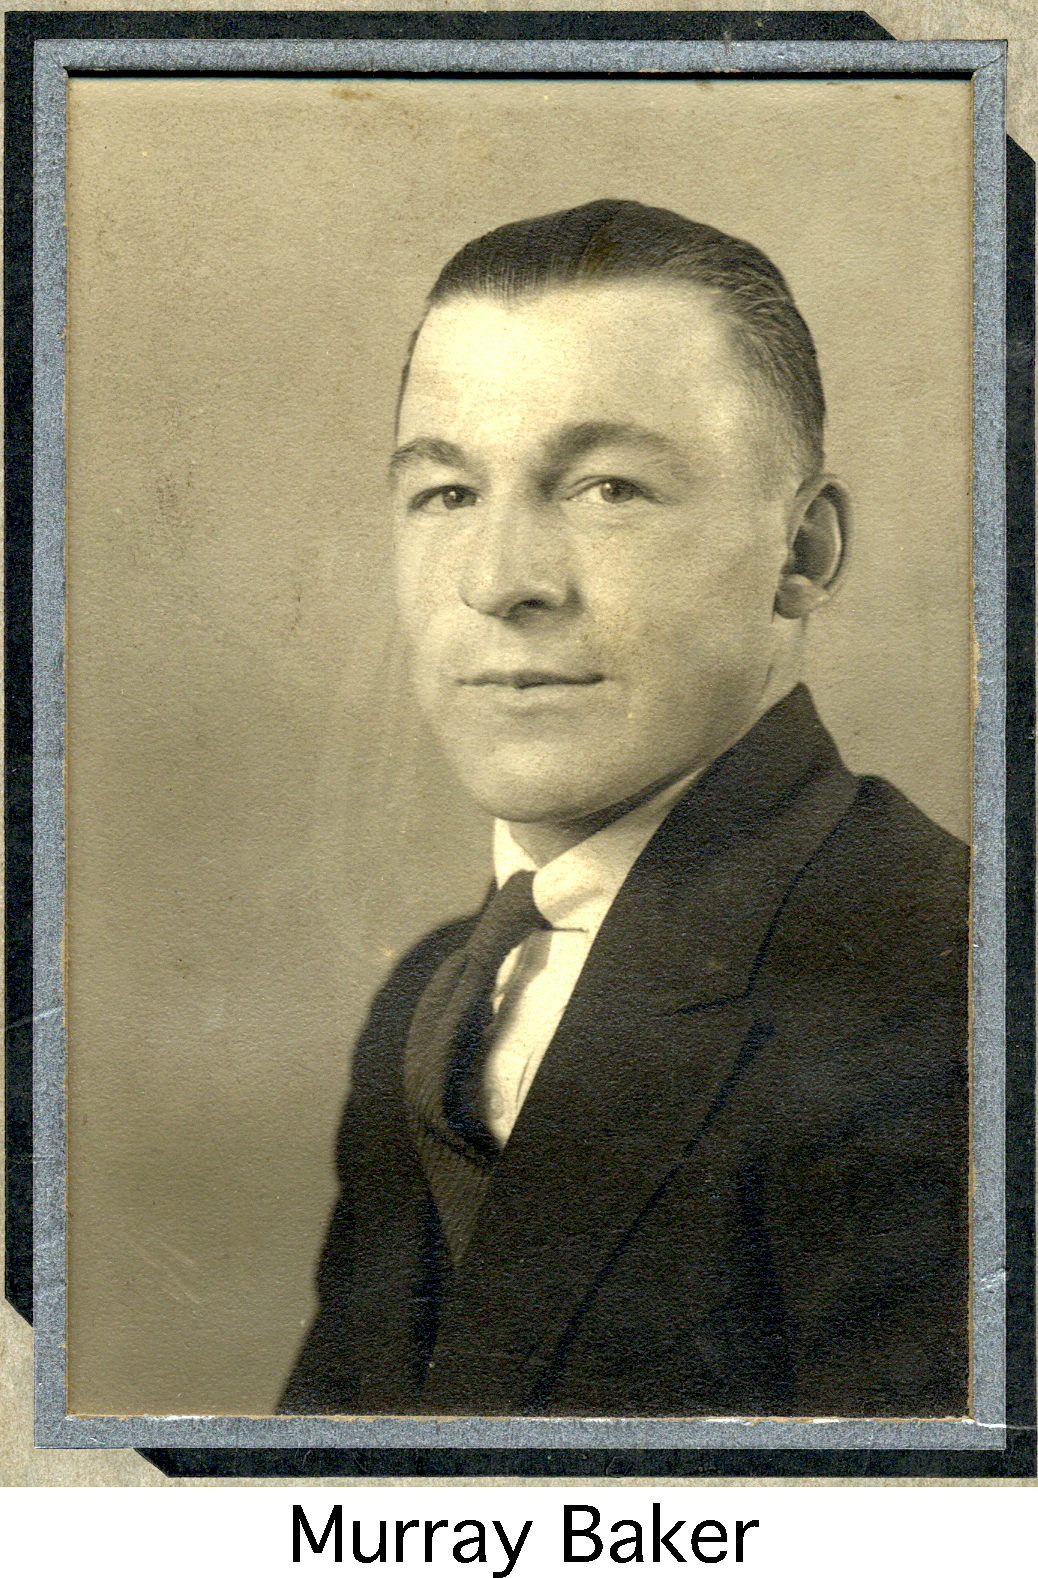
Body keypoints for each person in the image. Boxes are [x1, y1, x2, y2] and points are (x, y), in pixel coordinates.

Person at [280, 199, 969, 1419]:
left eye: (605, 487)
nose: (500, 583)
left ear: (801, 553)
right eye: (446, 494)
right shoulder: (433, 995)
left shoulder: (953, 982)